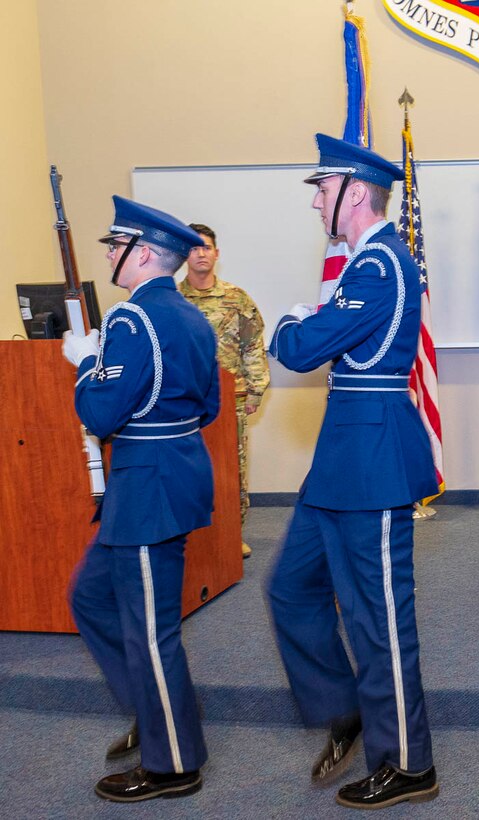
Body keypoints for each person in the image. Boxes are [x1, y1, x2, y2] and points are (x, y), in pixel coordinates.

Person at [265, 134, 439, 809]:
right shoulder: (363, 264)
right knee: (289, 589)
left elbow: (302, 349)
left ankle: (408, 763)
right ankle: (348, 705)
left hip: (370, 460)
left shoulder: (377, 266)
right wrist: (310, 320)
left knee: (380, 622)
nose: (314, 200)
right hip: (341, 456)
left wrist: (290, 319)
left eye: (322, 188)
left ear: (355, 193)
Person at [62, 197, 217, 802]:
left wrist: (87, 364)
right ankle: (160, 710)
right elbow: (209, 406)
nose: (107, 254)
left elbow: (100, 410)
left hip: (148, 485)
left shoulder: (133, 320)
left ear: (144, 253)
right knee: (91, 595)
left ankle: (174, 763)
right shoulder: (189, 314)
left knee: (152, 631)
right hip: (166, 474)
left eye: (115, 245)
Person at [179, 223, 270, 559]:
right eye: (194, 248)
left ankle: (233, 533)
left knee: (232, 470)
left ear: (216, 253)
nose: (201, 253)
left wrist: (255, 391)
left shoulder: (236, 298)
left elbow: (252, 346)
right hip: (184, 403)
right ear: (183, 255)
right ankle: (192, 538)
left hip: (231, 399)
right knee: (188, 470)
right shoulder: (173, 300)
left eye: (207, 247)